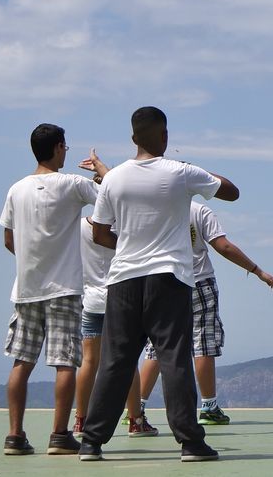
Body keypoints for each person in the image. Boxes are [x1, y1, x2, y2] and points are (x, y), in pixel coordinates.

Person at [78, 106, 240, 463]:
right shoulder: (180, 173)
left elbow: (100, 232)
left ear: (133, 138)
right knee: (175, 360)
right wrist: (196, 172)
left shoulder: (115, 178)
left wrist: (129, 245)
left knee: (115, 362)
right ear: (165, 136)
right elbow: (231, 191)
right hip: (169, 278)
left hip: (122, 280)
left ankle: (91, 442)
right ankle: (190, 443)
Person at [0, 124, 98, 455]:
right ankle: (59, 435)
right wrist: (99, 169)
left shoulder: (16, 189)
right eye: (65, 147)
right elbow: (111, 195)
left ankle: (14, 436)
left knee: (21, 363)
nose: (66, 152)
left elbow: (9, 240)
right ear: (57, 148)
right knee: (65, 363)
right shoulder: (73, 184)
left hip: (26, 289)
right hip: (65, 288)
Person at [137, 201, 273, 423]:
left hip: (160, 283)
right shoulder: (198, 210)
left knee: (156, 346)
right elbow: (223, 246)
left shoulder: (153, 207)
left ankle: (137, 409)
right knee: (203, 342)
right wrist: (257, 271)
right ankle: (209, 407)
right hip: (198, 281)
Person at [74, 204, 154, 439]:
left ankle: (80, 421)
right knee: (127, 361)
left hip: (90, 301)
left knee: (89, 361)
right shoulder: (126, 228)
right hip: (121, 300)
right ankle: (136, 421)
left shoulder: (80, 227)